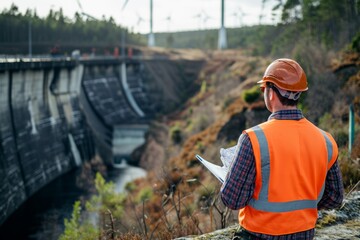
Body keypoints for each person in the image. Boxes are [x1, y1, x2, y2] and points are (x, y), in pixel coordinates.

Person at [220, 58, 344, 239]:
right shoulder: (326, 140)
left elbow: (233, 200)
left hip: (259, 235)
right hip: (304, 234)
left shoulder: (253, 139)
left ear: (271, 93)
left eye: (264, 89)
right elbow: (334, 198)